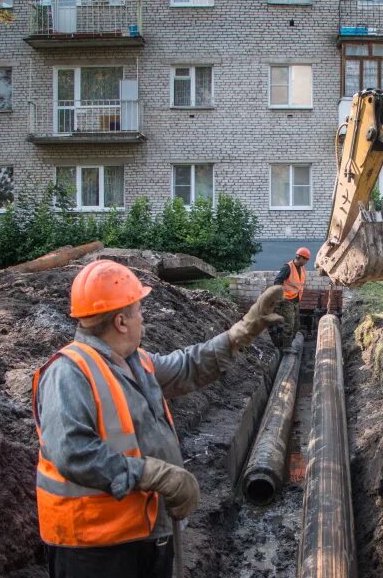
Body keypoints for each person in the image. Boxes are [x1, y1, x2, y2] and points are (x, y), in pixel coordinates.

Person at [32, 260, 284, 578]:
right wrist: (156, 475)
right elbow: (70, 450)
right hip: (94, 550)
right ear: (121, 321)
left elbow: (187, 366)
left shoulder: (135, 361)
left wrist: (241, 333)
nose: (143, 318)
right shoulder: (68, 373)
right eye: (139, 311)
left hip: (142, 533)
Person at [272, 247, 310, 350]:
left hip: (296, 301)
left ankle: (289, 343)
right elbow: (277, 281)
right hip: (286, 300)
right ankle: (286, 347)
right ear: (300, 257)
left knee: (296, 325)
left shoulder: (301, 268)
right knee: (289, 325)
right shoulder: (287, 267)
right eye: (306, 259)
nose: (306, 262)